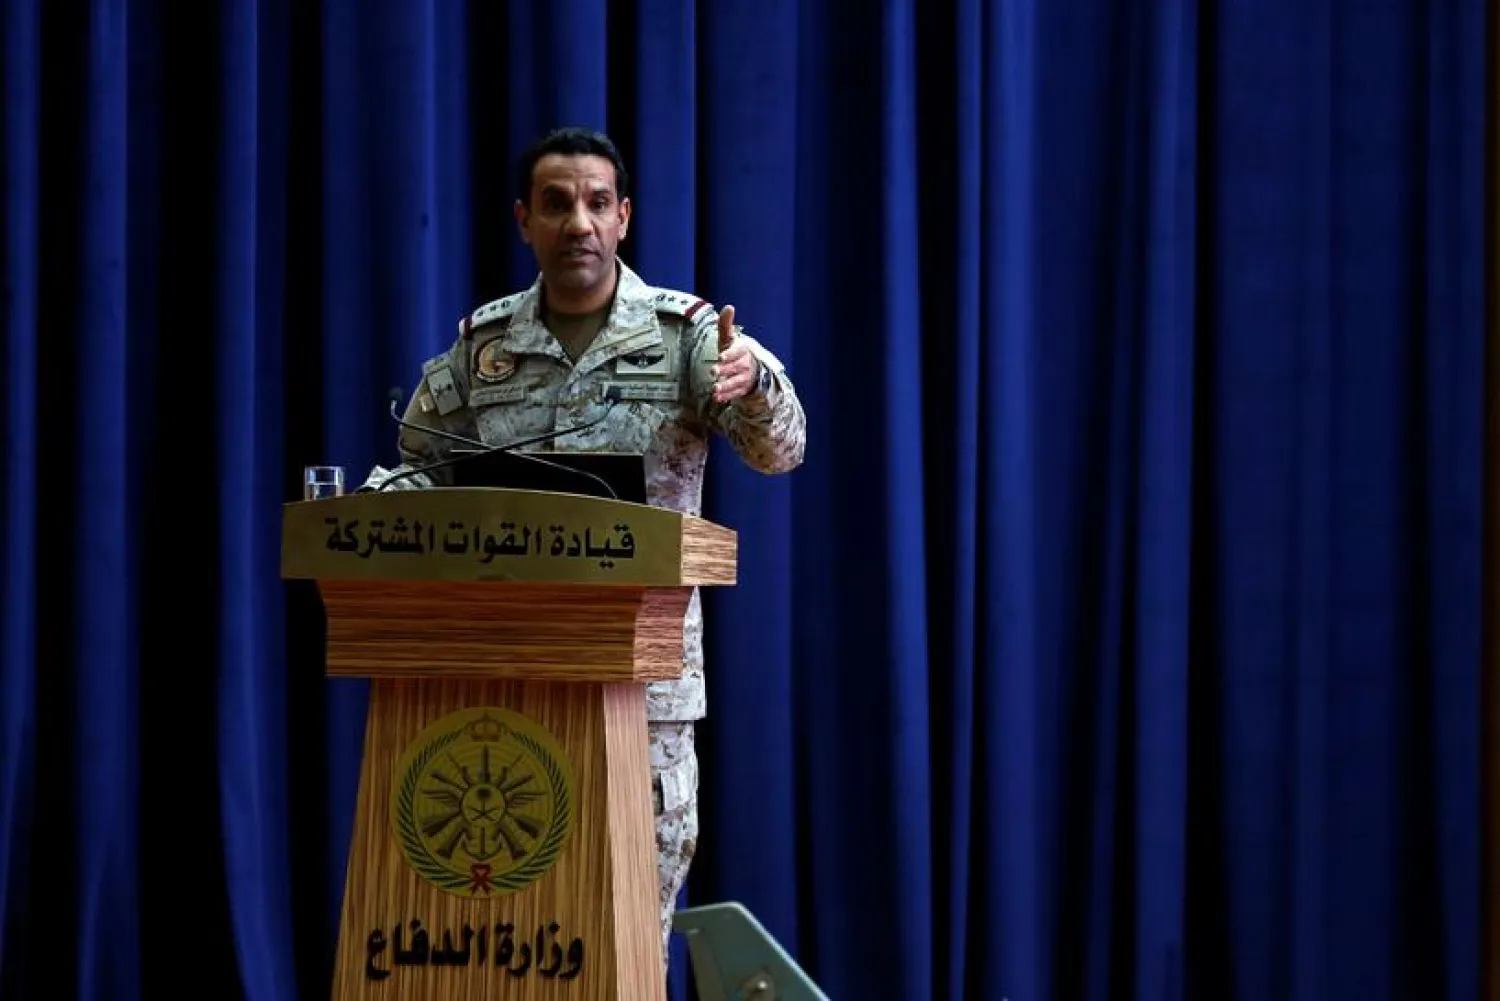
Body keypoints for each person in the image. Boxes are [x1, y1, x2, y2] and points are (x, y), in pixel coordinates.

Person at [360, 127, 807, 970]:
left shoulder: (686, 336)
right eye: (557, 204)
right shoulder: (484, 349)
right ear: (524, 221)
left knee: (624, 945)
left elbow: (780, 450)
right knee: (515, 943)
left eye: (598, 203)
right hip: (504, 686)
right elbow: (422, 467)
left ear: (624, 217)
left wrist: (755, 385)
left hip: (643, 697)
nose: (579, 223)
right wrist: (366, 507)